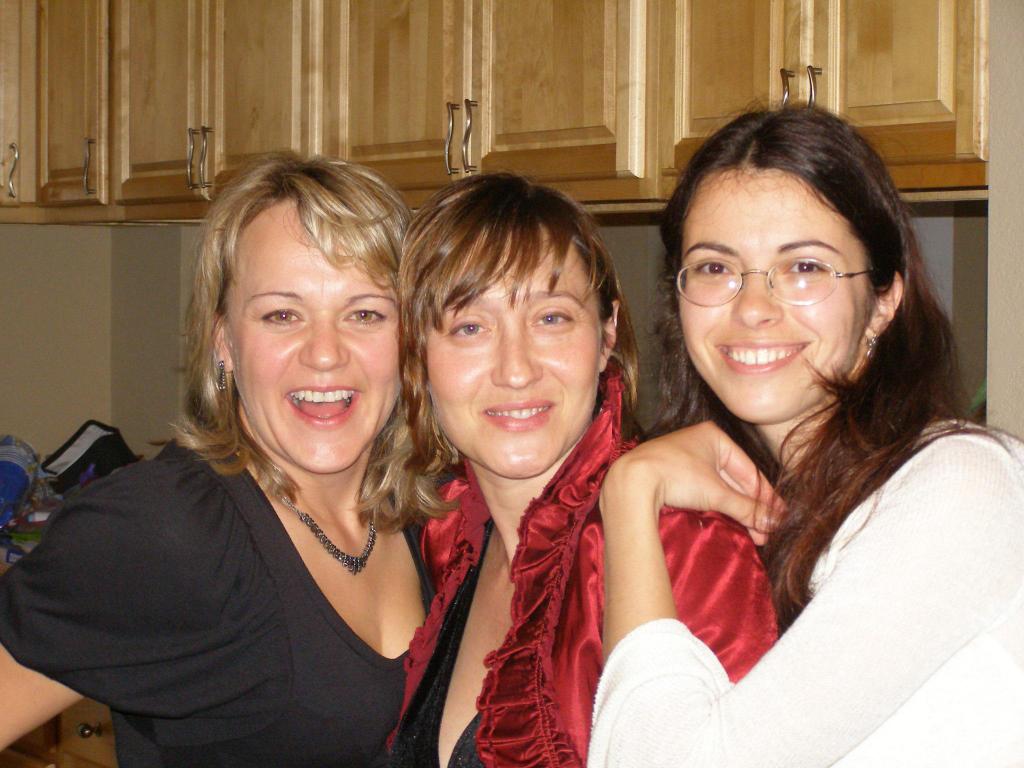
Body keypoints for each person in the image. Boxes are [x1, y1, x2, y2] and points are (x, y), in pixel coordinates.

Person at [588, 108, 1024, 767]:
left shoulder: (961, 487)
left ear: (884, 299)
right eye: (715, 268)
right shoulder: (744, 512)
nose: (752, 308)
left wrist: (627, 491)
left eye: (805, 267)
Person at [0, 153, 435, 767]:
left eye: (365, 313)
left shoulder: (430, 511)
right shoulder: (169, 531)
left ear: (410, 336)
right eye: (282, 314)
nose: (325, 354)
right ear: (224, 340)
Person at [386, 173, 778, 768]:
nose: (515, 370)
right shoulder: (447, 540)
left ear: (607, 334)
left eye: (552, 319)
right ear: (419, 355)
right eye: (470, 327)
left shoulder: (682, 547)